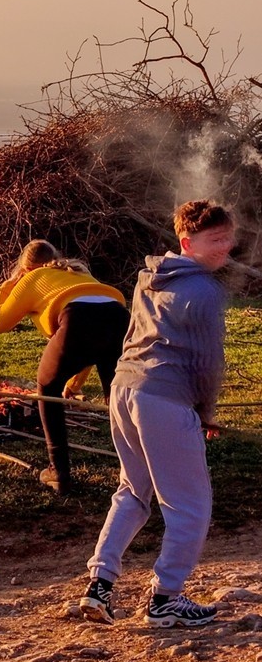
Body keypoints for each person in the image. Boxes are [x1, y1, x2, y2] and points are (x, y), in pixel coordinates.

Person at [79, 199, 234, 629]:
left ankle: (99, 585)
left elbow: (133, 334)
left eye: (227, 237)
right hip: (164, 398)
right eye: (215, 239)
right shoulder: (204, 290)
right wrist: (205, 412)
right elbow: (207, 362)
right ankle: (166, 597)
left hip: (125, 389)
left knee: (132, 491)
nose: (225, 246)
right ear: (187, 242)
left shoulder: (149, 277)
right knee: (190, 506)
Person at [0, 240, 129, 494]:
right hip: (118, 316)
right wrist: (73, 386)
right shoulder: (77, 272)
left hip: (77, 318)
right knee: (118, 398)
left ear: (25, 268)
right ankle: (137, 470)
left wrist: (7, 287)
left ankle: (59, 472)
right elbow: (91, 345)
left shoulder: (32, 278)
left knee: (46, 387)